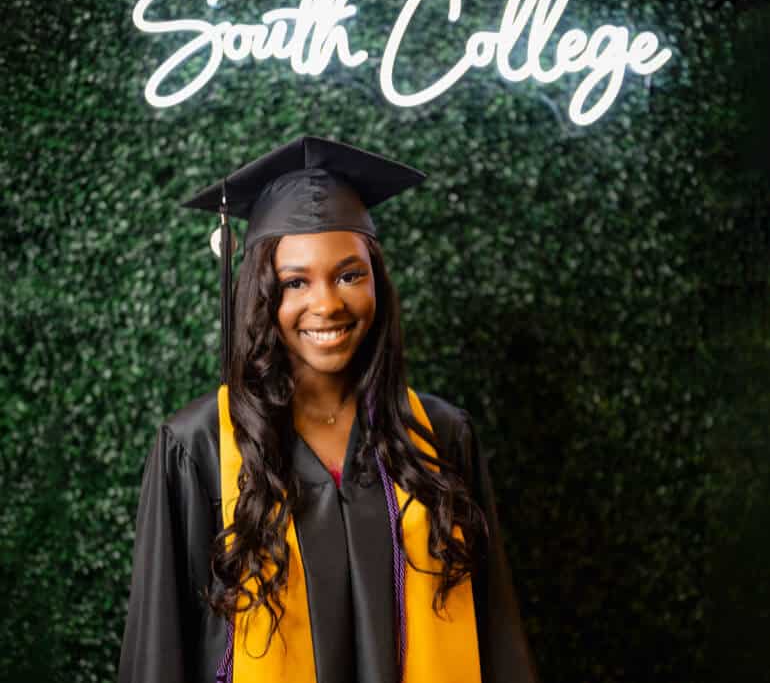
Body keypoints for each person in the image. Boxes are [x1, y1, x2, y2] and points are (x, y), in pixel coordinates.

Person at [118, 136, 540, 683]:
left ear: (377, 283)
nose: (327, 304)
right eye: (295, 282)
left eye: (349, 274)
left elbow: (496, 630)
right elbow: (161, 648)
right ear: (261, 292)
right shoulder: (199, 445)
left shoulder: (440, 435)